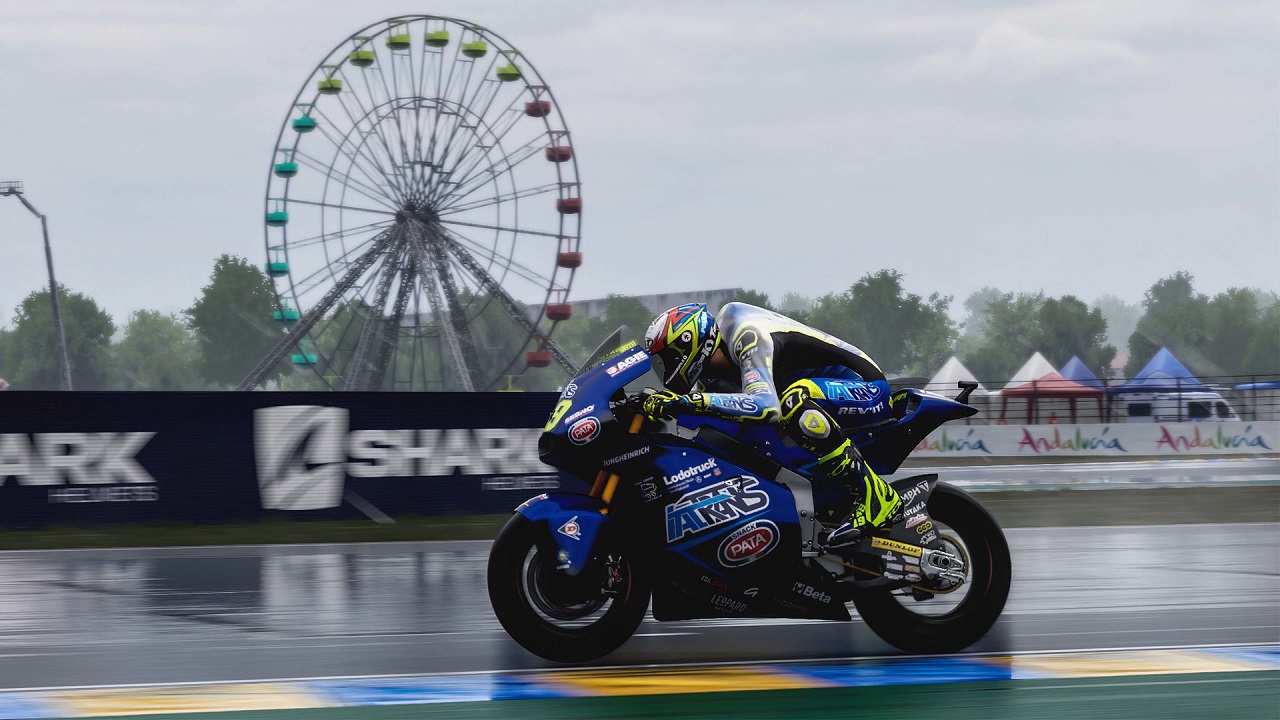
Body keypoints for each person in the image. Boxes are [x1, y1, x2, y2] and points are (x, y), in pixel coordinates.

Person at [640, 302, 901, 547]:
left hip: (867, 389)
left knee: (790, 402)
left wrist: (686, 402)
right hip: (826, 401)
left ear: (687, 343)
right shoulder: (712, 376)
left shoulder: (745, 333)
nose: (665, 370)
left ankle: (877, 497)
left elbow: (766, 406)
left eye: (666, 360)